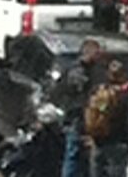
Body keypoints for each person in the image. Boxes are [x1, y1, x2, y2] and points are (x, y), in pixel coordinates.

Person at [54, 39, 104, 177]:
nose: (99, 56)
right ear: (88, 52)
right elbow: (80, 96)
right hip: (77, 118)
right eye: (97, 53)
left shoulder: (91, 70)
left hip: (83, 118)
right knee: (73, 154)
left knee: (79, 156)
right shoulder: (78, 72)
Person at [88, 61, 128, 177]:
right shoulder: (126, 96)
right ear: (123, 75)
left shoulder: (99, 92)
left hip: (98, 142)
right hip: (117, 143)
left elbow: (91, 111)